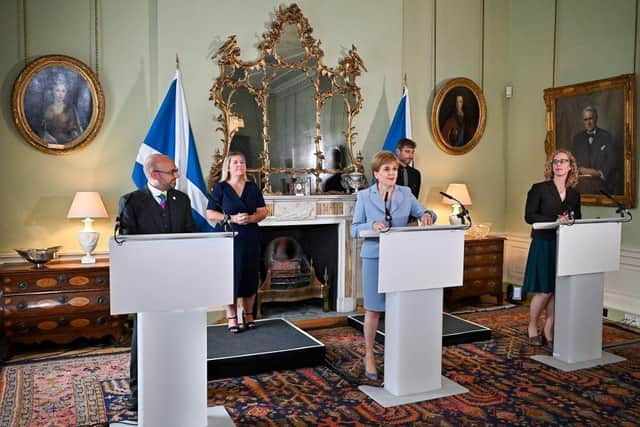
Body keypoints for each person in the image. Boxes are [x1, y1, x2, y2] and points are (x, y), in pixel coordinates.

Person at [118, 153, 197, 411]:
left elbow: (190, 238)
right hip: (148, 284)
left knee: (177, 335)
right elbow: (128, 246)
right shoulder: (131, 202)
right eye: (172, 172)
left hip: (179, 281)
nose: (176, 176)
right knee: (143, 338)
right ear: (154, 174)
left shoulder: (182, 200)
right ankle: (138, 394)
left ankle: (177, 386)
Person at [350, 151, 437, 380]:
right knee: (374, 309)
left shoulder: (406, 193)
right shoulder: (364, 196)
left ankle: (399, 354)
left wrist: (428, 215)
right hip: (374, 257)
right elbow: (354, 228)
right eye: (387, 170)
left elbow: (425, 211)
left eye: (395, 169)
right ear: (377, 173)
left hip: (400, 257)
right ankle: (369, 354)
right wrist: (372, 224)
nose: (392, 174)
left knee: (400, 307)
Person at [523, 149, 581, 346]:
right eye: (555, 161)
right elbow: (530, 216)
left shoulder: (574, 193)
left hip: (564, 245)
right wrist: (555, 219)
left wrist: (569, 220)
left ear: (570, 166)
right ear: (551, 166)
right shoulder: (539, 188)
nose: (559, 164)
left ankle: (548, 329)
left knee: (556, 290)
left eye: (563, 161)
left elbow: (577, 218)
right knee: (544, 290)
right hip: (543, 242)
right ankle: (532, 326)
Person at [206, 152, 268, 333]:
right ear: (228, 166)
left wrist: (252, 218)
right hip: (228, 239)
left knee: (249, 276)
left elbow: (263, 211)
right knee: (229, 278)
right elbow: (210, 213)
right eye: (235, 162)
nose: (240, 165)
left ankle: (248, 315)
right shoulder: (220, 188)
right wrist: (231, 218)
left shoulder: (253, 187)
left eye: (242, 162)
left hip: (250, 238)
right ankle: (232, 317)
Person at [571, 106, 616, 194]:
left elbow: (611, 159)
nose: (588, 122)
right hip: (582, 186)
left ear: (596, 118)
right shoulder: (577, 139)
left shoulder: (606, 136)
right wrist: (580, 170)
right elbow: (572, 161)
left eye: (590, 119)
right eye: (585, 119)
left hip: (602, 186)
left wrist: (598, 173)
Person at [42, 76, 83, 144]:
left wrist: (74, 135)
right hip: (49, 144)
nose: (60, 94)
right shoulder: (48, 109)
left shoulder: (70, 109)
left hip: (67, 143)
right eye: (57, 90)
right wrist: (45, 136)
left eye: (63, 91)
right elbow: (43, 128)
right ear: (53, 91)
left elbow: (74, 129)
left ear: (65, 93)